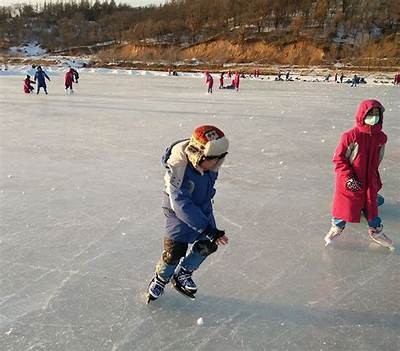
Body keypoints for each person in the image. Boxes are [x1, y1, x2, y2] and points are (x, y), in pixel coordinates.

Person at [147, 125, 230, 302]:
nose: (217, 164)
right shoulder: (179, 168)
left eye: (220, 159)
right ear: (199, 155)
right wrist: (207, 229)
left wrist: (209, 231)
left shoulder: (210, 165)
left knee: (208, 244)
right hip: (177, 212)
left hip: (202, 206)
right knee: (174, 251)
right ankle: (161, 279)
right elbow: (181, 204)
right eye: (214, 159)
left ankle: (184, 272)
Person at [324, 99, 393, 249]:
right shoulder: (350, 136)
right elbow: (339, 159)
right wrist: (348, 178)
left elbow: (378, 158)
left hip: (369, 179)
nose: (374, 116)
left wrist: (374, 177)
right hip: (350, 179)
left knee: (371, 205)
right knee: (345, 206)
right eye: (371, 113)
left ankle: (375, 230)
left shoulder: (381, 138)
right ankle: (337, 226)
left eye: (377, 113)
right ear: (363, 114)